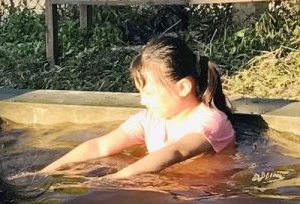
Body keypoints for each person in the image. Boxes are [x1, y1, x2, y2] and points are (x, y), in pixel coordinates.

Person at [42, 35, 234, 178]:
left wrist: (116, 178)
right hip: (166, 187)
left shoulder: (212, 121)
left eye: (149, 93)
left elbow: (177, 151)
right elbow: (100, 146)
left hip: (202, 197)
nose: (143, 101)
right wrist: (48, 171)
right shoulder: (150, 119)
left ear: (183, 87)